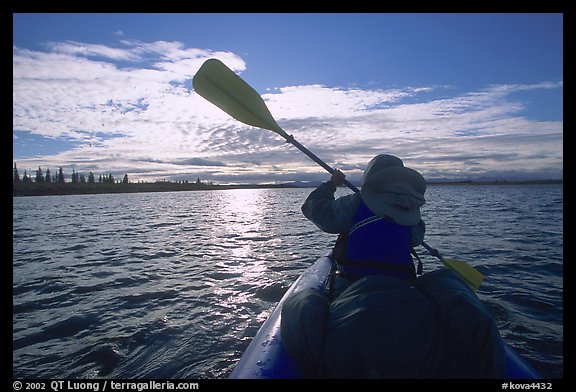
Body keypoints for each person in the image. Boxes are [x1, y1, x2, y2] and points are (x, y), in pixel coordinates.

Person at [280, 154, 506, 378]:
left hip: (350, 283)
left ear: (370, 179)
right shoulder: (410, 205)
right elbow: (415, 239)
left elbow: (316, 210)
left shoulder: (356, 201)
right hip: (403, 283)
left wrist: (330, 185)